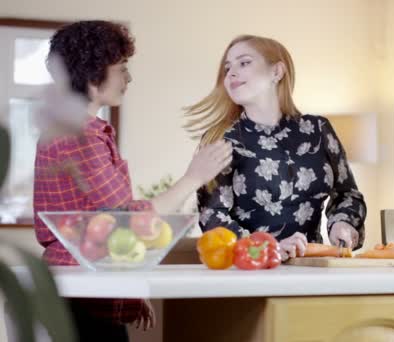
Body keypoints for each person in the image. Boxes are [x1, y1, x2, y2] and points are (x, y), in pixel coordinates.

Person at [33, 21, 232, 341]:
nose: (128, 78)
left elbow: (100, 228)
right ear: (94, 72)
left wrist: (127, 296)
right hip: (82, 297)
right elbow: (123, 219)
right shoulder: (78, 136)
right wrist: (193, 177)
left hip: (92, 292)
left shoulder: (85, 132)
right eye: (122, 68)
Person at [184, 35, 366, 261]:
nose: (230, 73)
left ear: (277, 72)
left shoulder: (319, 130)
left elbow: (347, 194)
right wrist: (270, 250)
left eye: (244, 62)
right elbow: (213, 218)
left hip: (314, 270)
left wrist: (342, 223)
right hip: (249, 275)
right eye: (227, 67)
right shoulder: (220, 140)